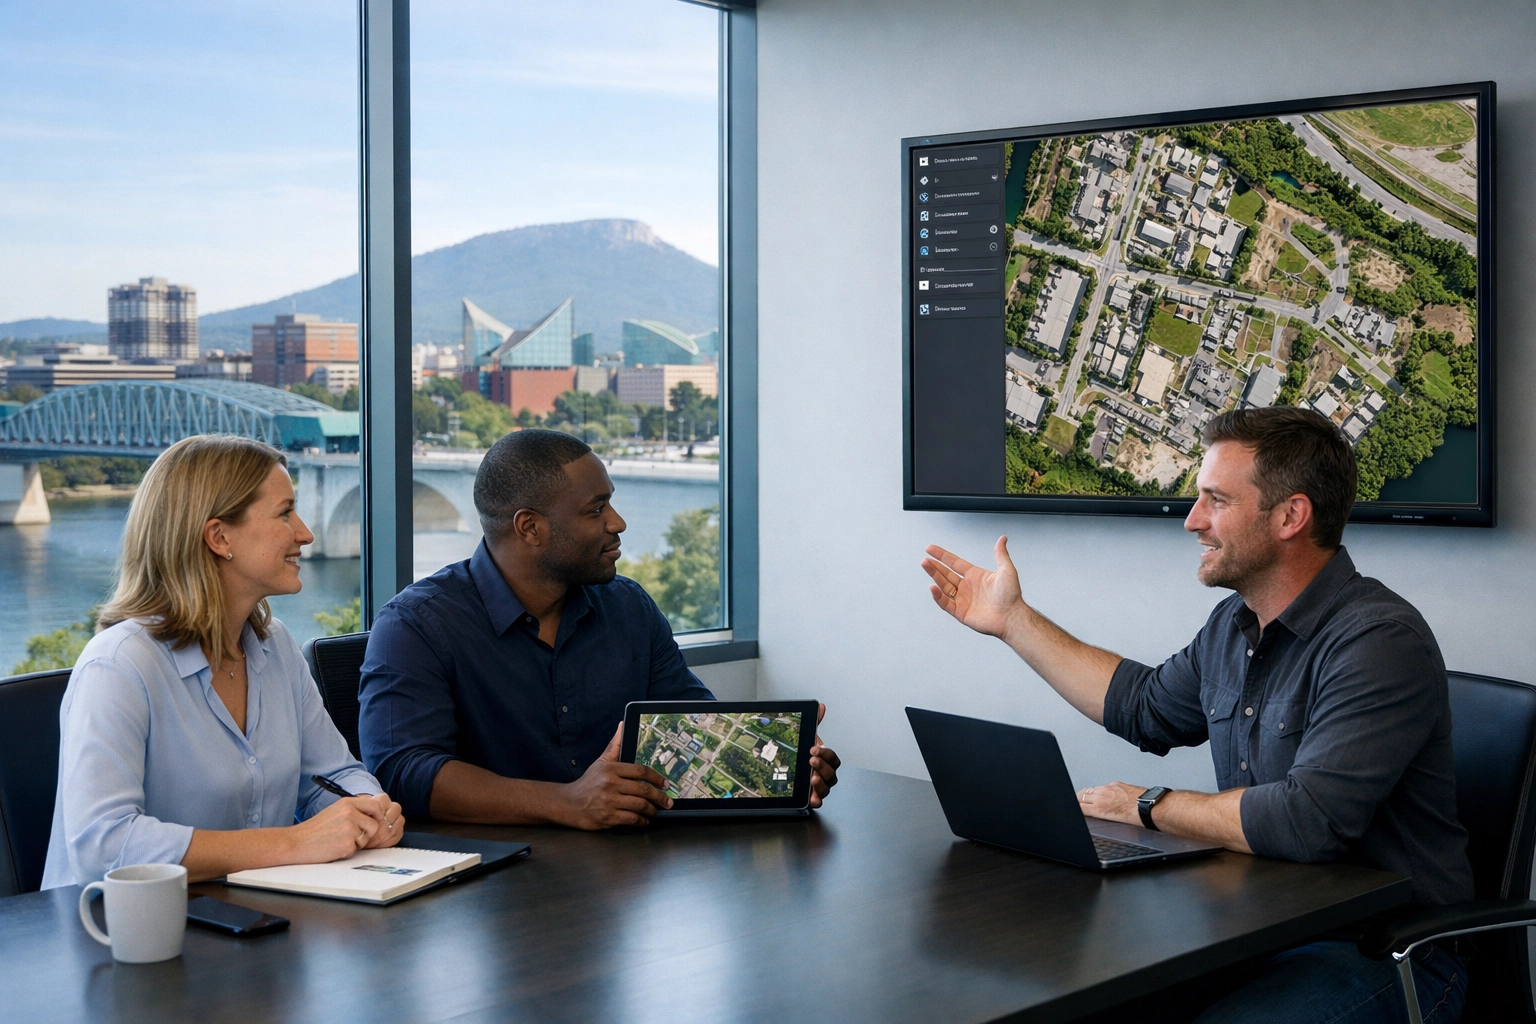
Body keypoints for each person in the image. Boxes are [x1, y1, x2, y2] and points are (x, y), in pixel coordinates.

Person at [921, 407, 1471, 1023]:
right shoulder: (1233, 627)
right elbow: (1141, 706)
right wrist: (1013, 623)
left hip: (1387, 954)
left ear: (1291, 516)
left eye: (1215, 500)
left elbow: (1307, 820)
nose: (1192, 521)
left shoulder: (1378, 641)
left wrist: (1146, 804)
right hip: (1263, 928)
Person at [359, 429, 840, 828]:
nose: (619, 522)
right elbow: (403, 771)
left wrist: (778, 772)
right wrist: (566, 802)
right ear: (529, 527)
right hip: (483, 892)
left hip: (625, 875)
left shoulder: (628, 606)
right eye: (596, 510)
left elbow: (690, 724)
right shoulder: (416, 625)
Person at [42, 435, 404, 888]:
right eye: (285, 513)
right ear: (218, 536)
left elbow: (331, 776)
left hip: (246, 925)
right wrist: (294, 843)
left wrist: (369, 809)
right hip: (114, 941)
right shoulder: (118, 665)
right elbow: (104, 845)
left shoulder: (274, 646)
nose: (306, 533)